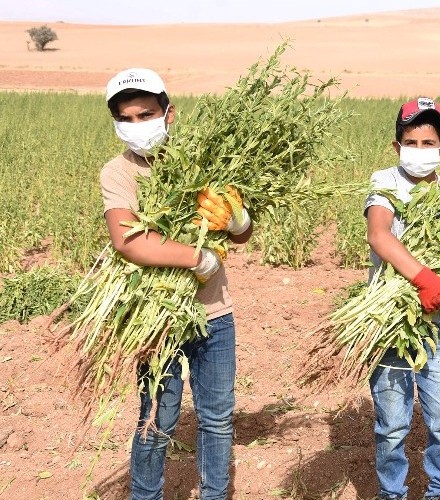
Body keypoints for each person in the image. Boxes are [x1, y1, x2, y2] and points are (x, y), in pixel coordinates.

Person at [101, 68, 253, 500]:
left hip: (214, 314)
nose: (136, 125)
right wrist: (197, 258)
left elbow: (241, 234)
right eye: (126, 118)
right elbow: (129, 241)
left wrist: (238, 218)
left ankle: (214, 495)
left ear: (169, 114)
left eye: (145, 115)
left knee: (217, 418)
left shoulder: (203, 162)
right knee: (157, 419)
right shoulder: (118, 173)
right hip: (158, 320)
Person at [363, 97, 440, 500]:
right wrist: (422, 277)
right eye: (411, 143)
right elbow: (379, 234)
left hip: (439, 326)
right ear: (397, 146)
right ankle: (392, 493)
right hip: (389, 324)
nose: (420, 151)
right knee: (392, 424)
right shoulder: (385, 182)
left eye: (428, 143)